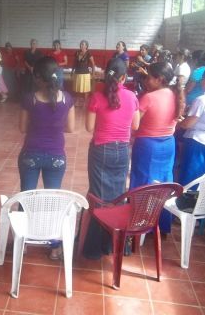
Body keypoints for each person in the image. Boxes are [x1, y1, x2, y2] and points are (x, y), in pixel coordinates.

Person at [18, 56, 75, 259]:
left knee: (26, 197)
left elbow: (22, 128)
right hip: (56, 157)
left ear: (39, 78)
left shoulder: (30, 99)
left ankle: (22, 241)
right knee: (52, 200)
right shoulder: (67, 99)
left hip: (30, 154)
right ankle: (54, 246)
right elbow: (71, 128)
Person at [83, 59, 140, 260]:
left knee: (99, 197)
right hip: (123, 150)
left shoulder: (97, 96)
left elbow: (89, 128)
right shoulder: (132, 97)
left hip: (101, 150)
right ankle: (116, 244)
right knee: (118, 196)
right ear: (124, 77)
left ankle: (93, 248)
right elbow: (135, 126)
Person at [130, 62, 184, 234]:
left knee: (143, 183)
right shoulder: (176, 94)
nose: (146, 80)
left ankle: (140, 222)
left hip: (148, 145)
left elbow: (134, 125)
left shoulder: (149, 97)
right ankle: (160, 224)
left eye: (149, 77)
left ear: (159, 79)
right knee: (163, 184)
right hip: (168, 144)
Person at [179, 67, 205, 186]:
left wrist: (179, 122)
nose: (201, 82)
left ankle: (186, 203)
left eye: (202, 79)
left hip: (198, 144)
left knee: (191, 179)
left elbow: (188, 124)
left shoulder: (202, 100)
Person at [71, 40, 95, 107]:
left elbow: (93, 64)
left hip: (85, 74)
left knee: (85, 89)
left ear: (86, 46)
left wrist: (93, 74)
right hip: (77, 73)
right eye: (81, 44)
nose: (82, 45)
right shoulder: (77, 52)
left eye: (83, 44)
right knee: (77, 88)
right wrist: (72, 71)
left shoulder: (88, 53)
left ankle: (85, 102)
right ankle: (77, 101)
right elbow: (74, 63)